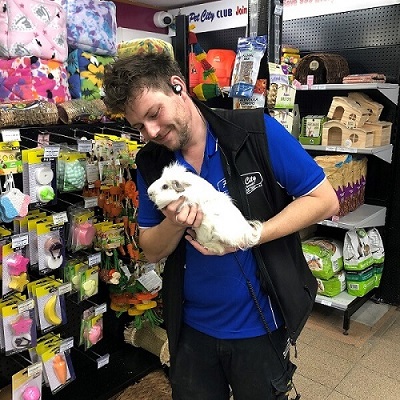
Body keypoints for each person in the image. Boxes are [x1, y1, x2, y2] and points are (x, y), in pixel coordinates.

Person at [104, 52, 339, 400]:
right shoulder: (152, 162)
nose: (151, 131)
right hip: (190, 332)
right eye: (139, 126)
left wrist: (253, 234)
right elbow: (151, 249)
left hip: (261, 324)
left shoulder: (253, 132)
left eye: (154, 114)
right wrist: (174, 223)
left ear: (178, 86)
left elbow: (325, 200)